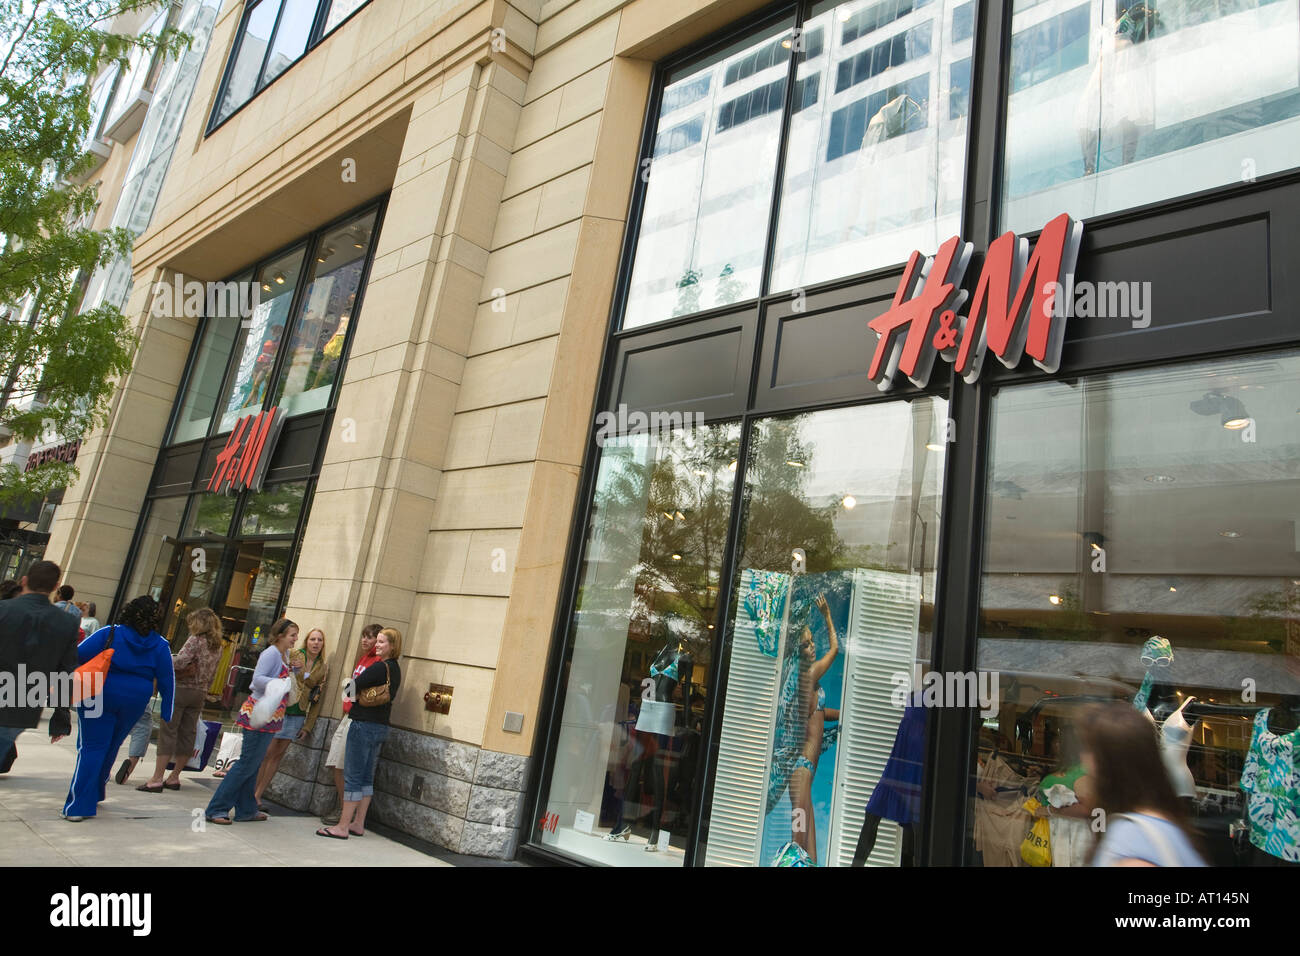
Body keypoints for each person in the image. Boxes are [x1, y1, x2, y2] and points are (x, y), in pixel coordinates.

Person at [63, 596, 176, 820]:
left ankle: (79, 807)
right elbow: (167, 680)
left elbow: (76, 654)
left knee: (92, 747)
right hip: (134, 700)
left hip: (99, 693)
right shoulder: (161, 644)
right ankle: (95, 792)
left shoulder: (110, 632)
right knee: (112, 745)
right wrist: (167, 712)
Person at [1081, 703, 1207, 866]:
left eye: (1087, 751)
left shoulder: (1131, 836)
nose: (1083, 762)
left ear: (1107, 763)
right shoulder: (1164, 823)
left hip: (1180, 779)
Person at [204, 619, 298, 824]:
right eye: (292, 635)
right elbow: (257, 679)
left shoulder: (285, 655)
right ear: (280, 635)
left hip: (271, 715)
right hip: (258, 714)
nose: (295, 639)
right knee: (247, 763)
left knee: (253, 764)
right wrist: (280, 683)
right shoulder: (271, 653)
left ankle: (246, 809)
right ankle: (216, 808)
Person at [317, 626, 401, 839]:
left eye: (382, 642)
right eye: (378, 641)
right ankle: (358, 823)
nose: (377, 645)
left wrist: (355, 695)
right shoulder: (396, 669)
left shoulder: (378, 667)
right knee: (366, 777)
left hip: (362, 724)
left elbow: (349, 689)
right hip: (380, 726)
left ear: (392, 646)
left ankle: (342, 826)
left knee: (353, 776)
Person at [0, 561, 80, 767]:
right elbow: (66, 671)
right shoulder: (67, 623)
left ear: (24, 581)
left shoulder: (3, 609)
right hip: (22, 706)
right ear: (55, 587)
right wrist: (61, 717)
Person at [139, 608, 224, 792]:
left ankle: (157, 778)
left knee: (169, 730)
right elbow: (214, 673)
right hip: (200, 692)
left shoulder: (196, 640)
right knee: (188, 733)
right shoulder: (217, 646)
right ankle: (174, 776)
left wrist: (164, 658)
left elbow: (181, 661)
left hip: (182, 689)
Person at [786, 593, 839, 864]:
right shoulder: (809, 674)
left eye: (812, 641)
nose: (813, 647)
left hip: (807, 769)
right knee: (799, 838)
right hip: (802, 768)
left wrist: (845, 717)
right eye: (806, 645)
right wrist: (828, 617)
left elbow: (819, 714)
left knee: (811, 849)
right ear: (799, 653)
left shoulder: (809, 684)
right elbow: (835, 650)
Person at [254, 626, 329, 808]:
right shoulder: (295, 655)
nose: (316, 643)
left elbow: (318, 697)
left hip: (298, 713)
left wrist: (308, 726)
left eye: (319, 640)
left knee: (278, 756)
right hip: (281, 709)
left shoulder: (323, 666)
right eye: (312, 639)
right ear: (306, 641)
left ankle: (258, 794)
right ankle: (250, 792)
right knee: (267, 753)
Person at [321, 623, 381, 825]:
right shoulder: (363, 659)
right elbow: (351, 690)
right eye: (364, 636)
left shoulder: (378, 663)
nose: (366, 640)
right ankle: (343, 805)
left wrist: (349, 690)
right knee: (336, 763)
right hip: (348, 715)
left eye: (371, 637)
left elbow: (361, 691)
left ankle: (346, 812)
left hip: (359, 718)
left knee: (346, 766)